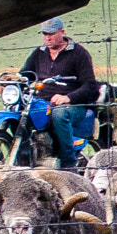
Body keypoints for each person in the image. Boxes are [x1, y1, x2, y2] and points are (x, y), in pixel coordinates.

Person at [20, 17, 100, 166]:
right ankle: (25, 156)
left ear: (62, 32)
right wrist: (7, 80)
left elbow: (90, 85)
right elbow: (25, 75)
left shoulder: (79, 53)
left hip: (75, 106)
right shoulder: (39, 53)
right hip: (42, 102)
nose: (47, 37)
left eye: (51, 33)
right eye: (44, 33)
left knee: (59, 113)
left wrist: (67, 97)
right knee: (19, 111)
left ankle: (68, 163)